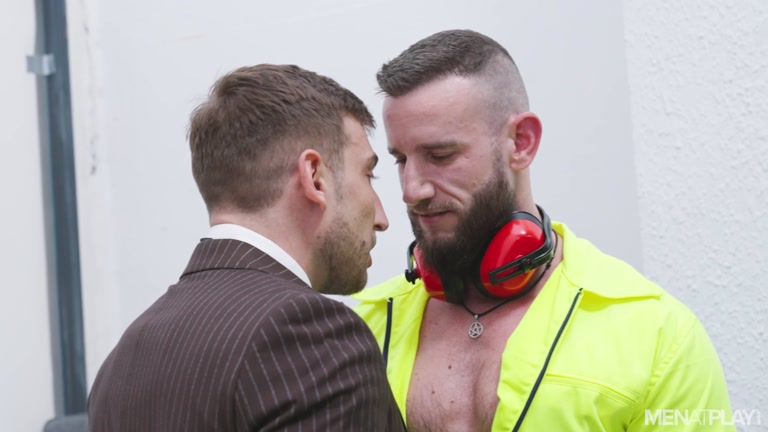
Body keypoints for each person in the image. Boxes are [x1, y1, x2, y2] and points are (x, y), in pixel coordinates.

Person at [353, 30, 733, 431]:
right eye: (400, 160)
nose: (412, 190)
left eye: (440, 155)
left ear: (521, 142)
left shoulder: (659, 337)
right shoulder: (363, 327)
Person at [88, 64, 406, 431]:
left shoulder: (124, 358)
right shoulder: (311, 336)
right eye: (369, 175)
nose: (382, 216)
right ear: (315, 177)